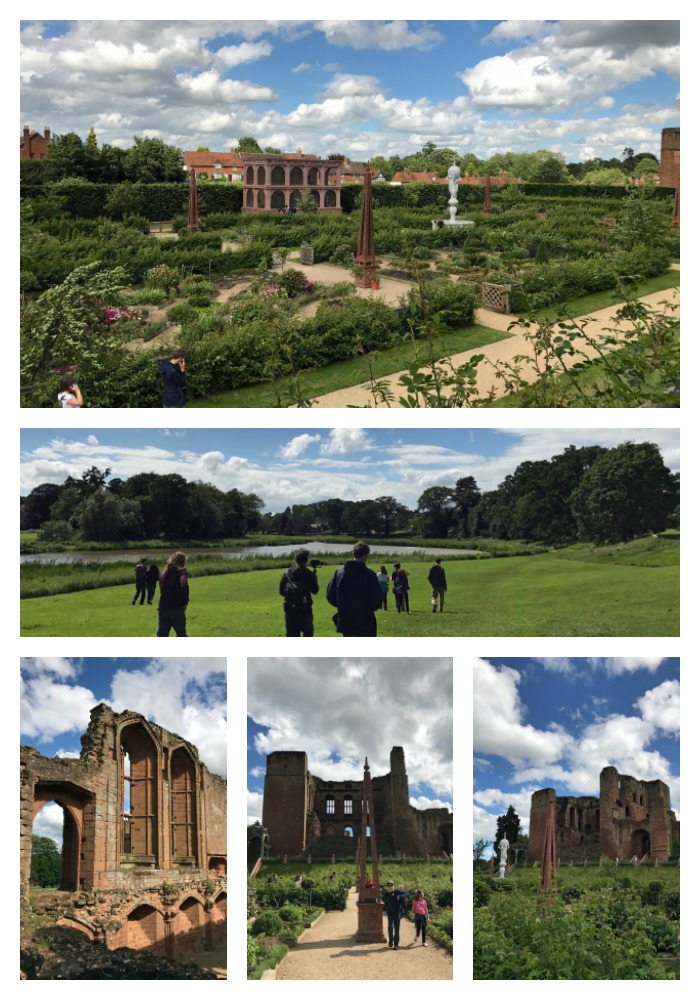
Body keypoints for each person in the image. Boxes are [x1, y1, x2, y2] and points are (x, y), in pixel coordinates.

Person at [326, 541, 383, 637]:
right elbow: (377, 600)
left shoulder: (339, 573)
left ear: (353, 554)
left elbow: (330, 596)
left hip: (346, 620)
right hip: (365, 621)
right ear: (366, 556)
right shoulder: (369, 575)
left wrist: (343, 605)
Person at [279, 548, 320, 637]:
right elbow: (315, 591)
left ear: (295, 559)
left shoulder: (287, 573)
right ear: (306, 560)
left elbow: (281, 591)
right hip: (305, 609)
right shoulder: (309, 574)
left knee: (292, 634)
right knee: (308, 633)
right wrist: (315, 580)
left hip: (290, 609)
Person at [157, 551, 189, 636]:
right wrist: (185, 601)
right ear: (183, 562)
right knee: (181, 634)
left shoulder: (163, 574)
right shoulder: (181, 574)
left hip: (163, 608)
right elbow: (184, 585)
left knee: (161, 635)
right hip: (176, 608)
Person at [382, 880, 409, 949]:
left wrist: (400, 896)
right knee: (390, 927)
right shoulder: (386, 894)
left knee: (397, 929)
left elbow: (407, 893)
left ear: (394, 886)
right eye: (389, 885)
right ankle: (391, 940)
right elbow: (383, 900)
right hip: (390, 913)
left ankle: (396, 944)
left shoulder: (397, 892)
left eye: (391, 885)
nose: (390, 887)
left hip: (397, 913)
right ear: (387, 887)